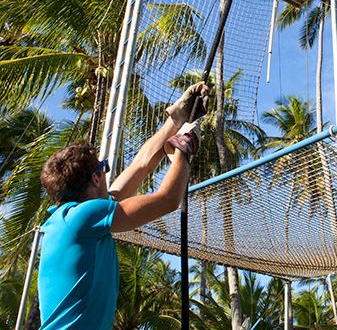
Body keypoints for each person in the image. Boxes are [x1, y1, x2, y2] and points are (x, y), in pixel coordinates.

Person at [37, 82, 209, 330]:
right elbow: (169, 199)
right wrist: (183, 151)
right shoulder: (85, 217)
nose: (108, 174)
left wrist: (177, 119)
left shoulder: (72, 219)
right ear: (95, 178)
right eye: (103, 167)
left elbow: (141, 165)